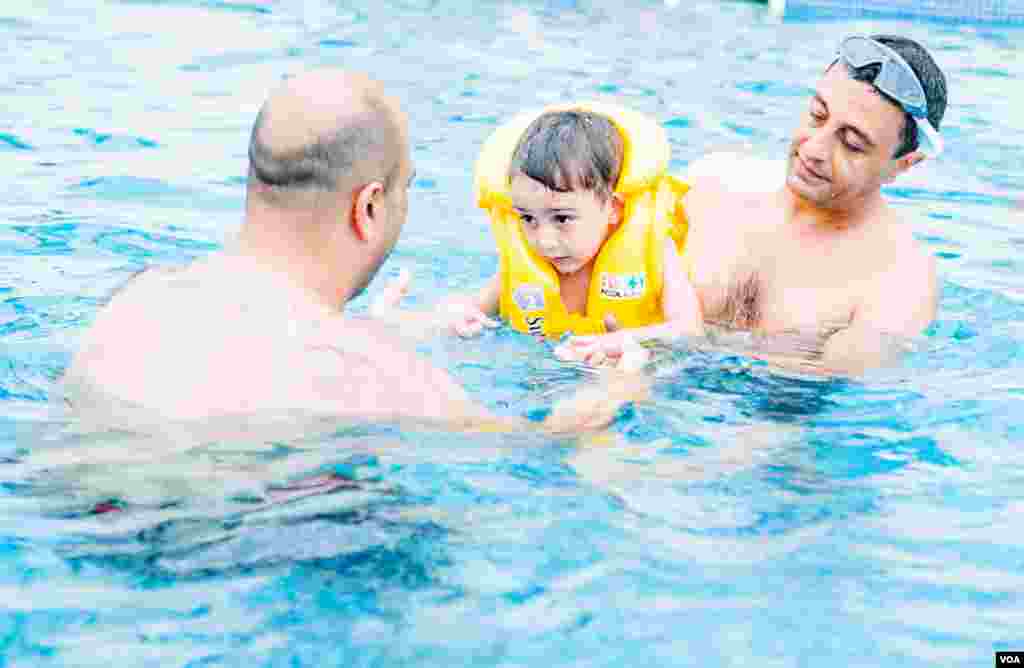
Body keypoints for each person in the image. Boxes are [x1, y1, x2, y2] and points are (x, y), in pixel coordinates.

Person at [61, 69, 644, 433]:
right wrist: (623, 387)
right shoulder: (373, 374)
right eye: (405, 189)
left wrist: (386, 332)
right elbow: (547, 441)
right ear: (368, 208)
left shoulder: (137, 301)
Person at [678, 34, 948, 375]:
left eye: (851, 143)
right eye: (817, 116)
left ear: (903, 164)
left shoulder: (896, 284)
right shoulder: (712, 188)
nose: (814, 149)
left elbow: (806, 411)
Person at [391, 102, 704, 366]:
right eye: (527, 218)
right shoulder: (523, 265)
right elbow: (470, 309)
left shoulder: (654, 252)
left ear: (613, 208)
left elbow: (689, 331)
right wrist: (449, 314)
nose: (544, 240)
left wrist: (624, 340)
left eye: (563, 218)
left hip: (639, 377)